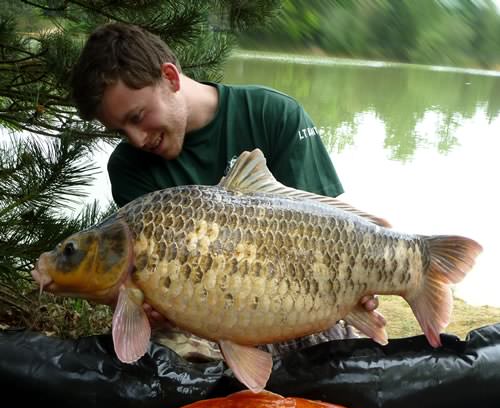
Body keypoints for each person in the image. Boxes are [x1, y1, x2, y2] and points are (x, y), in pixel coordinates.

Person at [70, 22, 380, 337]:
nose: (137, 139)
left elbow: (335, 230)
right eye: (121, 130)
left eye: (137, 117)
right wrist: (148, 306)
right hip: (202, 321)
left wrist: (358, 277)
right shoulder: (128, 166)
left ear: (170, 77)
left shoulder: (274, 114)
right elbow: (142, 288)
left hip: (298, 305)